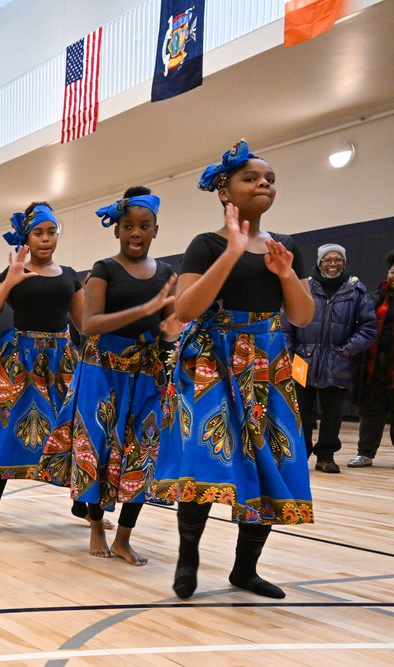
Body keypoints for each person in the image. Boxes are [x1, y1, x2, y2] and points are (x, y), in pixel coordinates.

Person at [155, 140, 315, 601]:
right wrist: (232, 252)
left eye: (269, 179)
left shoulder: (287, 248)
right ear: (225, 192)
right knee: (206, 455)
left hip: (267, 364)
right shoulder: (206, 245)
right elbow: (186, 308)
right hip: (212, 361)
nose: (264, 183)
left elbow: (302, 317)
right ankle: (189, 558)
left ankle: (245, 570)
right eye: (252, 178)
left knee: (271, 461)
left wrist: (285, 274)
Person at [72, 187, 180, 566]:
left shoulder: (167, 273)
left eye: (144, 226)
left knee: (143, 451)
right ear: (117, 230)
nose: (136, 232)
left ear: (156, 230)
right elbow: (89, 323)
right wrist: (145, 308)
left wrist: (174, 323)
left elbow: (168, 328)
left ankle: (124, 538)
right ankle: (96, 525)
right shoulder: (104, 269)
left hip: (148, 372)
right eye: (129, 226)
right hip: (102, 369)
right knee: (96, 447)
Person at [0, 203, 86, 538]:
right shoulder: (14, 274)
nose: (46, 238)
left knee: (75, 432)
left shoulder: (69, 275)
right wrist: (8, 281)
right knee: (4, 431)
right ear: (27, 237)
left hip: (62, 363)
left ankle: (82, 504)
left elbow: (84, 325)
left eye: (52, 231)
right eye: (39, 232)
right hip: (20, 362)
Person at [283, 244, 376, 473]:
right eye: (327, 260)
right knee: (300, 413)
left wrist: (348, 350)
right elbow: (286, 325)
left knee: (332, 415)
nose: (332, 264)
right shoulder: (304, 287)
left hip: (339, 361)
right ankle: (299, 457)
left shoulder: (356, 291)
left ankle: (326, 457)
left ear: (344, 262)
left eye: (337, 260)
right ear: (319, 262)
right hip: (302, 361)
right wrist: (290, 353)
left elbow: (369, 327)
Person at [349, 250, 394, 468]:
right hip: (374, 367)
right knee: (371, 412)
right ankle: (365, 453)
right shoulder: (375, 297)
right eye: (393, 271)